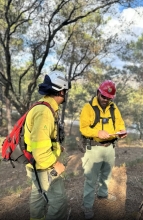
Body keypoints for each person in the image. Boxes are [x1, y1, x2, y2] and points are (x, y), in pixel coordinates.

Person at [25, 70, 70, 220]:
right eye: (65, 91)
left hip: (36, 165)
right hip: (44, 167)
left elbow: (42, 139)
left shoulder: (44, 107)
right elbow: (40, 150)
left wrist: (57, 147)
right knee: (59, 202)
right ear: (61, 91)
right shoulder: (44, 112)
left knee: (37, 196)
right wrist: (55, 163)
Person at [79, 80, 127, 219]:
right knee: (90, 179)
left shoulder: (114, 108)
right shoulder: (88, 108)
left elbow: (119, 123)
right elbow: (83, 128)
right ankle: (87, 206)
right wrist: (97, 132)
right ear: (98, 93)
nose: (106, 100)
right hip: (94, 148)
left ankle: (102, 194)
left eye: (109, 98)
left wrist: (121, 131)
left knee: (106, 174)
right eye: (103, 96)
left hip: (110, 148)